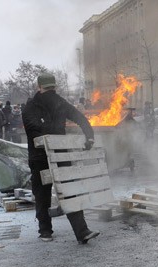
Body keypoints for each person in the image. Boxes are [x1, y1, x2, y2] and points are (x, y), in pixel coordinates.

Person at [22, 73, 99, 244]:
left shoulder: (30, 107)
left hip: (42, 157)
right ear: (53, 86)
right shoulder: (56, 103)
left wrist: (88, 135)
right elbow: (80, 118)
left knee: (43, 193)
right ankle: (81, 231)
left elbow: (34, 128)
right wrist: (89, 135)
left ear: (39, 87)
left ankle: (46, 231)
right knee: (68, 191)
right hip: (52, 155)